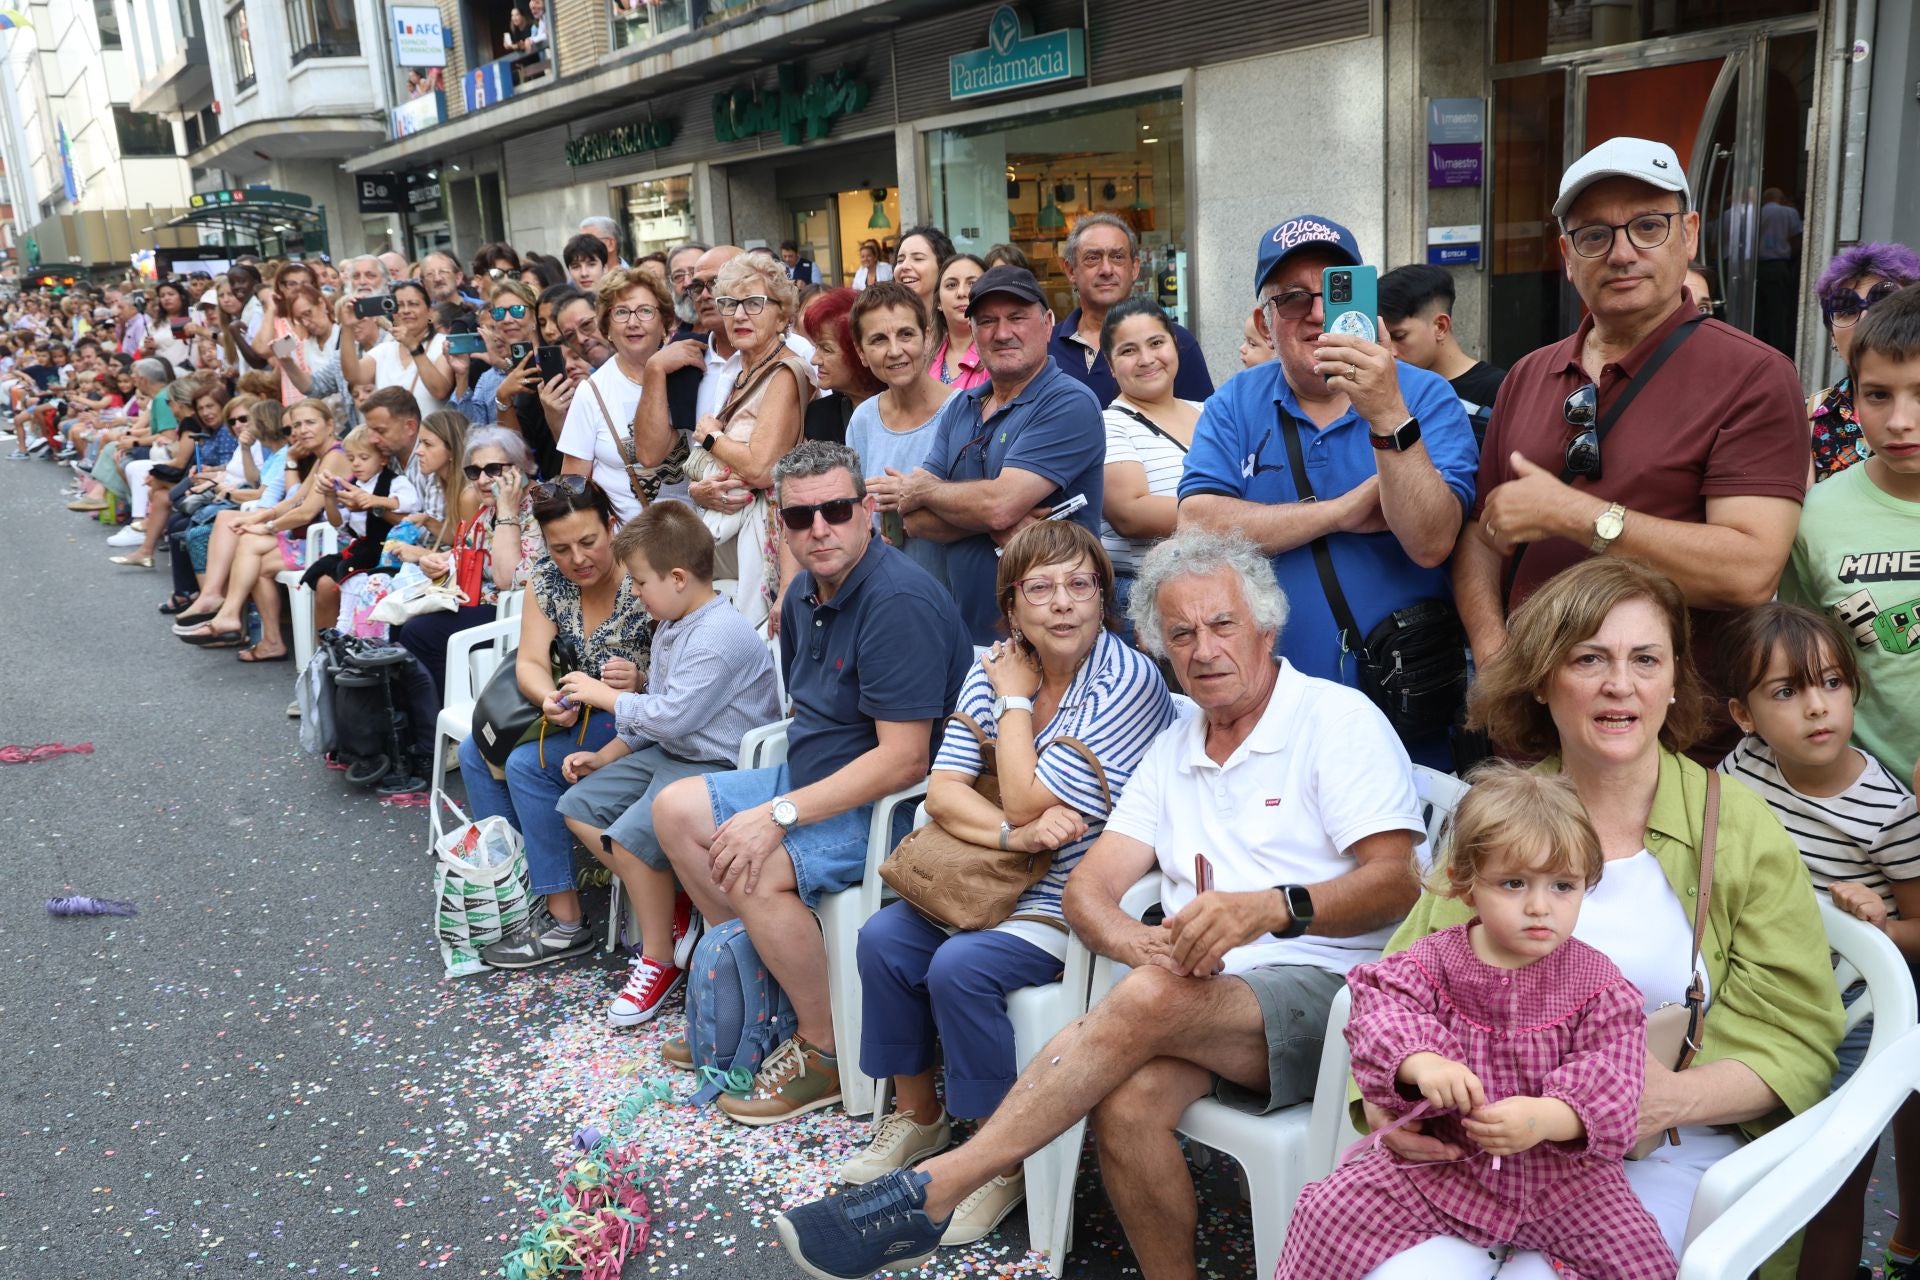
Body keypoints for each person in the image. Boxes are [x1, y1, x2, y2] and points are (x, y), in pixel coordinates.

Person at [773, 528, 1426, 1278]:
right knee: (1127, 1104)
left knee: (1137, 993)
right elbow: (1090, 887)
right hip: (1206, 996)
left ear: (1267, 629)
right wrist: (1134, 942)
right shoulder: (1174, 747)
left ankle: (939, 1187)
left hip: (1333, 995)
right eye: (1181, 634)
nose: (1204, 649)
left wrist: (1272, 908)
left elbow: (1398, 883)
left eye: (1223, 626)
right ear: (1162, 646)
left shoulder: (1333, 720)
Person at [1359, 558, 1841, 1280]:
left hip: (1661, 1150)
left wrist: (1672, 1101)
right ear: (1545, 679)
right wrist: (1391, 1103)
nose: (1621, 685)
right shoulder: (1497, 817)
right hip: (1476, 1153)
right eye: (1590, 659)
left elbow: (1799, 1036)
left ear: (1674, 679)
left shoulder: (1735, 829)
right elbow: (1399, 985)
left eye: (1646, 659)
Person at [838, 522, 1172, 1241]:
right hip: (982, 875)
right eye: (1040, 588)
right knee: (882, 940)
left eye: (1080, 584)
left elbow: (1026, 794)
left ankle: (999, 1157)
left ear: (1104, 597)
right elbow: (944, 788)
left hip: (1066, 899)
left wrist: (1016, 705)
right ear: (1012, 607)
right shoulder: (998, 662)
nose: (1062, 604)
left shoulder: (1127, 679)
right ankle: (922, 1119)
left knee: (960, 968)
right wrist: (1007, 835)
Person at [1450, 138, 1811, 761]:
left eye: (1648, 226)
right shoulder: (1528, 376)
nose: (1621, 253)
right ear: (1567, 255)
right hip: (1532, 735)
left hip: (1669, 745)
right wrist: (1493, 654)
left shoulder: (1752, 375)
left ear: (1689, 234)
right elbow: (1483, 534)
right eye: (1593, 235)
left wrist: (1574, 515)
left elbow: (1749, 571)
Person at [651, 440, 972, 1125]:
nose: (818, 529)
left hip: (889, 807)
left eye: (834, 510)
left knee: (753, 861)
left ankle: (824, 1048)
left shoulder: (897, 602)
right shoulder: (802, 592)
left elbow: (905, 761)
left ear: (867, 514)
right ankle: (758, 992)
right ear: (782, 524)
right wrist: (781, 804)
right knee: (675, 810)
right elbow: (809, 715)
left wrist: (779, 814)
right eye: (800, 518)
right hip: (812, 780)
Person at [1278, 762, 1671, 1280]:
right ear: (1466, 887)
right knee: (1325, 1213)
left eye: (1562, 886)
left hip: (1567, 1185)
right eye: (1513, 883)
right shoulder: (1433, 962)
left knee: (1642, 1261)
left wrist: (1546, 1117)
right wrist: (1420, 1063)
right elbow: (1379, 1010)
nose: (1539, 907)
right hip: (1441, 1167)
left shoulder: (1599, 985)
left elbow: (1614, 1084)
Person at [1178, 215, 1476, 768]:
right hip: (1271, 721)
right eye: (1291, 299)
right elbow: (1196, 524)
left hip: (1404, 714)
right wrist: (1339, 512)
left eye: (1337, 290)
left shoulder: (1425, 396)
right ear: (1264, 323)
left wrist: (1387, 409)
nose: (1317, 314)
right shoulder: (1235, 403)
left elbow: (1432, 541)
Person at [1713, 604, 1920, 1280]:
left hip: (1852, 1023)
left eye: (1832, 683)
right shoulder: (1742, 767)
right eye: (1787, 691)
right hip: (1759, 1004)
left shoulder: (1888, 810)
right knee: (1753, 1166)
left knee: (1830, 1182)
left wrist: (1881, 928)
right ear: (1744, 716)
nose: (1817, 707)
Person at [554, 502, 782, 1027]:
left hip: (718, 766)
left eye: (639, 583)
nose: (634, 593)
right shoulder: (673, 621)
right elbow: (658, 713)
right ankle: (671, 899)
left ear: (677, 578)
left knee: (631, 840)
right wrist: (607, 754)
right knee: (579, 808)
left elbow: (674, 716)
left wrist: (603, 697)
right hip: (675, 752)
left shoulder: (718, 633)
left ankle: (658, 960)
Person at [463, 478, 654, 969]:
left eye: (588, 542)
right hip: (572, 710)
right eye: (561, 548)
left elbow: (692, 664)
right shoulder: (547, 579)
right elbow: (529, 661)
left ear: (612, 526)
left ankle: (566, 919)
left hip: (633, 718)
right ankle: (528, 886)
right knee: (474, 751)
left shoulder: (644, 571)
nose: (577, 558)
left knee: (528, 764)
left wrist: (640, 677)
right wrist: (547, 697)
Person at [894, 264, 1106, 646]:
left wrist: (926, 490)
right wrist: (993, 519)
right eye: (987, 321)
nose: (1003, 332)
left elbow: (998, 505)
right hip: (970, 637)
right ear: (972, 332)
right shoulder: (962, 405)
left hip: (1055, 635)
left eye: (1017, 318)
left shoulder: (1068, 401)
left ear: (1047, 323)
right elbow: (916, 522)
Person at [1781, 284, 1920, 796]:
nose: (1900, 422)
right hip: (1865, 810)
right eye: (1878, 395)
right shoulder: (1816, 519)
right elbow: (1802, 661)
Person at [396, 426, 544, 698]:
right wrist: (437, 564)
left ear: (521, 466)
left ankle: (442, 719)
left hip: (521, 615)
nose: (483, 480)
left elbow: (507, 578)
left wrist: (508, 511)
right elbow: (466, 555)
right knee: (401, 622)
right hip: (483, 601)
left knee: (419, 633)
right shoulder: (488, 509)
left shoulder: (541, 507)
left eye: (494, 469)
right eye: (474, 472)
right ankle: (419, 721)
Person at [1096, 297, 1201, 628]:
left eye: (1156, 342)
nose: (1146, 359)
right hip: (1144, 601)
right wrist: (1231, 512)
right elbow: (1131, 514)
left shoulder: (1212, 412)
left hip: (1215, 588)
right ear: (1111, 366)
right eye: (1128, 351)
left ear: (1175, 345)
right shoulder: (1107, 424)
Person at [847, 282, 953, 585]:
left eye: (906, 334)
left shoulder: (962, 411)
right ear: (861, 353)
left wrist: (915, 498)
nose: (895, 351)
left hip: (955, 594)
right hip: (889, 591)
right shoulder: (863, 420)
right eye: (879, 340)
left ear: (928, 338)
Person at [1047, 213, 1212, 408]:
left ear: (1134, 268)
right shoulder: (1046, 348)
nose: (1106, 269)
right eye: (1092, 258)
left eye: (1117, 257)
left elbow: (1203, 426)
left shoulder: (1173, 343)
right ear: (1070, 270)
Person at [558, 267, 674, 522]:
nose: (633, 322)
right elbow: (573, 487)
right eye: (621, 312)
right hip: (631, 548)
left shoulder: (692, 374)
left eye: (645, 311)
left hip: (704, 541)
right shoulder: (592, 392)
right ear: (607, 328)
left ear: (665, 322)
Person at [1806, 242, 1920, 482]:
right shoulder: (1802, 416)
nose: (1866, 320)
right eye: (1845, 310)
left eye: (1884, 303)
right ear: (1832, 336)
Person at [1379, 263, 1507, 447]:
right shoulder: (1389, 388)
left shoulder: (1501, 391)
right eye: (1381, 338)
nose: (1390, 350)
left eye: (1399, 336)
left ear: (1440, 326)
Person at [339, 280, 454, 416]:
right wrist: (347, 327)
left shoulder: (444, 343)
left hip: (431, 434)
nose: (405, 311)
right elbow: (353, 376)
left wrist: (414, 347)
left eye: (413, 304)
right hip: (393, 435)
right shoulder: (384, 350)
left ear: (430, 312)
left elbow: (440, 391)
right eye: (398, 305)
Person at [798, 287, 881, 445]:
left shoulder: (907, 410)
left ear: (859, 352)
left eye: (826, 349)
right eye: (816, 347)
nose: (815, 359)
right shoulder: (818, 417)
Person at [929, 254, 987, 391]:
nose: (961, 292)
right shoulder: (922, 354)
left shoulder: (1002, 354)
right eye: (951, 285)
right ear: (938, 302)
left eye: (972, 284)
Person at [891, 226, 954, 321]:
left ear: (942, 266)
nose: (904, 266)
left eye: (918, 259)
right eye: (900, 260)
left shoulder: (963, 323)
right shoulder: (884, 323)